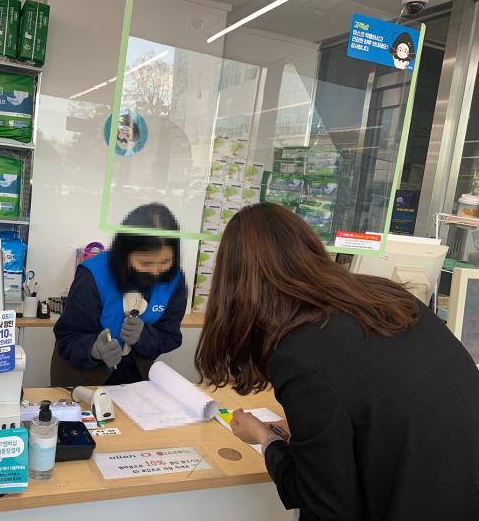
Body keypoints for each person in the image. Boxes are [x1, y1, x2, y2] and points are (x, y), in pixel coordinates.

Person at [195, 203, 479, 520]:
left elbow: (325, 506)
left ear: (236, 288)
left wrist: (266, 439)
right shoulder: (391, 298)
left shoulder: (299, 354)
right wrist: (312, 433)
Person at [51, 203, 187, 387]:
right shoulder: (93, 276)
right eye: (145, 263)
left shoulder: (175, 280)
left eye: (165, 262)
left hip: (135, 378)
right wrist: (94, 350)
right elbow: (68, 337)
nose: (156, 271)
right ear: (125, 254)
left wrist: (144, 336)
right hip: (83, 378)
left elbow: (170, 337)